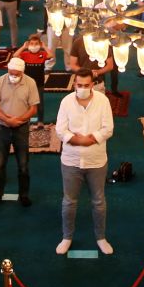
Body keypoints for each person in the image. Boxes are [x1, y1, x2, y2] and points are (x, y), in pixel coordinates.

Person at [54, 69, 115, 255]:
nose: (82, 88)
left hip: (96, 161)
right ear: (74, 85)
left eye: (86, 85)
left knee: (98, 201)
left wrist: (91, 139)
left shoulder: (103, 101)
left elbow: (108, 129)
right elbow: (60, 130)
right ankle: (67, 237)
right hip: (71, 161)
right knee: (69, 202)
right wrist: (80, 140)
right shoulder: (66, 102)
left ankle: (100, 237)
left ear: (92, 84)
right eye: (79, 85)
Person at [0, 57, 37, 206]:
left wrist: (19, 120)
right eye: (11, 73)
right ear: (7, 70)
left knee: (23, 165)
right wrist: (8, 120)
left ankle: (24, 195)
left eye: (17, 73)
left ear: (22, 72)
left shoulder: (30, 83)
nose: (14, 76)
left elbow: (33, 108)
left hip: (21, 128)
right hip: (2, 127)